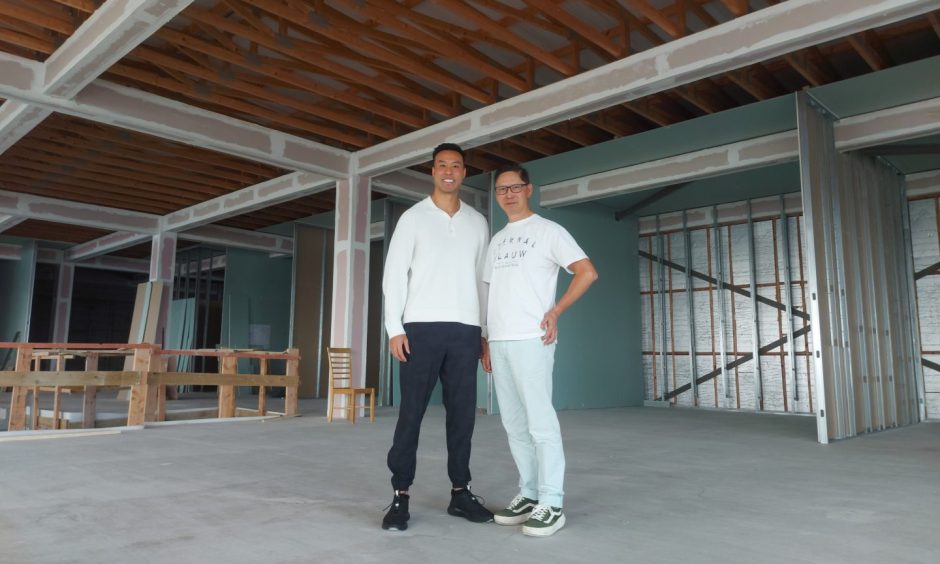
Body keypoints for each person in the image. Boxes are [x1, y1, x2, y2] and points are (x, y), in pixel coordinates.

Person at [381, 142, 493, 531]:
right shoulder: (413, 218)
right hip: (420, 329)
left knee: (462, 417)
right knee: (410, 415)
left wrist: (484, 333)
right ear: (432, 171)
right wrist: (394, 328)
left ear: (465, 173)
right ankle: (400, 497)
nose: (449, 171)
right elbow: (393, 275)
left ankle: (460, 493)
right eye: (442, 165)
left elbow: (484, 282)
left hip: (465, 330)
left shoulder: (478, 222)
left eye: (457, 165)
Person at [481, 163, 598, 537]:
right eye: (502, 189)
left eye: (515, 187)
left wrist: (557, 310)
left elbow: (587, 271)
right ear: (497, 195)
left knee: (540, 423)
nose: (509, 194)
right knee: (514, 424)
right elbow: (488, 293)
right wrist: (485, 338)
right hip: (499, 340)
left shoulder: (549, 231)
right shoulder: (497, 240)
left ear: (529, 190)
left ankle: (552, 502)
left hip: (532, 339)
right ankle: (529, 494)